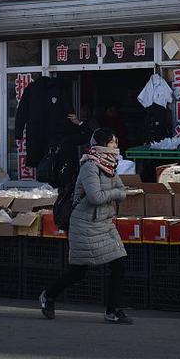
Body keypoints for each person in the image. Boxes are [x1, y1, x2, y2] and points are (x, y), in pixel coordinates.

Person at [40, 128, 132, 324]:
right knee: (78, 271)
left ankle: (113, 310)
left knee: (119, 264)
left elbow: (122, 190)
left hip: (104, 223)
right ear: (100, 144)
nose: (115, 146)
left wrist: (118, 192)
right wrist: (116, 194)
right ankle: (48, 295)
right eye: (111, 142)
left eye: (115, 142)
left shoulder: (110, 165)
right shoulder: (90, 166)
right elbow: (96, 197)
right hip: (85, 224)